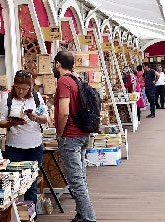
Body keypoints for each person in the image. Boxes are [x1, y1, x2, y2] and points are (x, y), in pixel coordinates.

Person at [52, 51, 96, 222]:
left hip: (70, 135)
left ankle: (88, 218)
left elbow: (63, 112)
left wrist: (59, 133)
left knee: (76, 181)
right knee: (81, 178)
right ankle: (81, 215)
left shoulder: (63, 81)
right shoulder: (77, 80)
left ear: (57, 64)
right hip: (83, 134)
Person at [0, 70, 49, 205]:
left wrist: (36, 118)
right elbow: (0, 121)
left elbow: (46, 118)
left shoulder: (36, 97)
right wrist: (13, 123)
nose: (21, 91)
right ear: (14, 85)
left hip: (34, 146)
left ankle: (30, 216)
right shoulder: (7, 99)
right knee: (13, 183)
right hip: (14, 147)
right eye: (18, 88)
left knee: (31, 186)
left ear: (30, 87)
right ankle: (16, 215)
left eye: (25, 89)